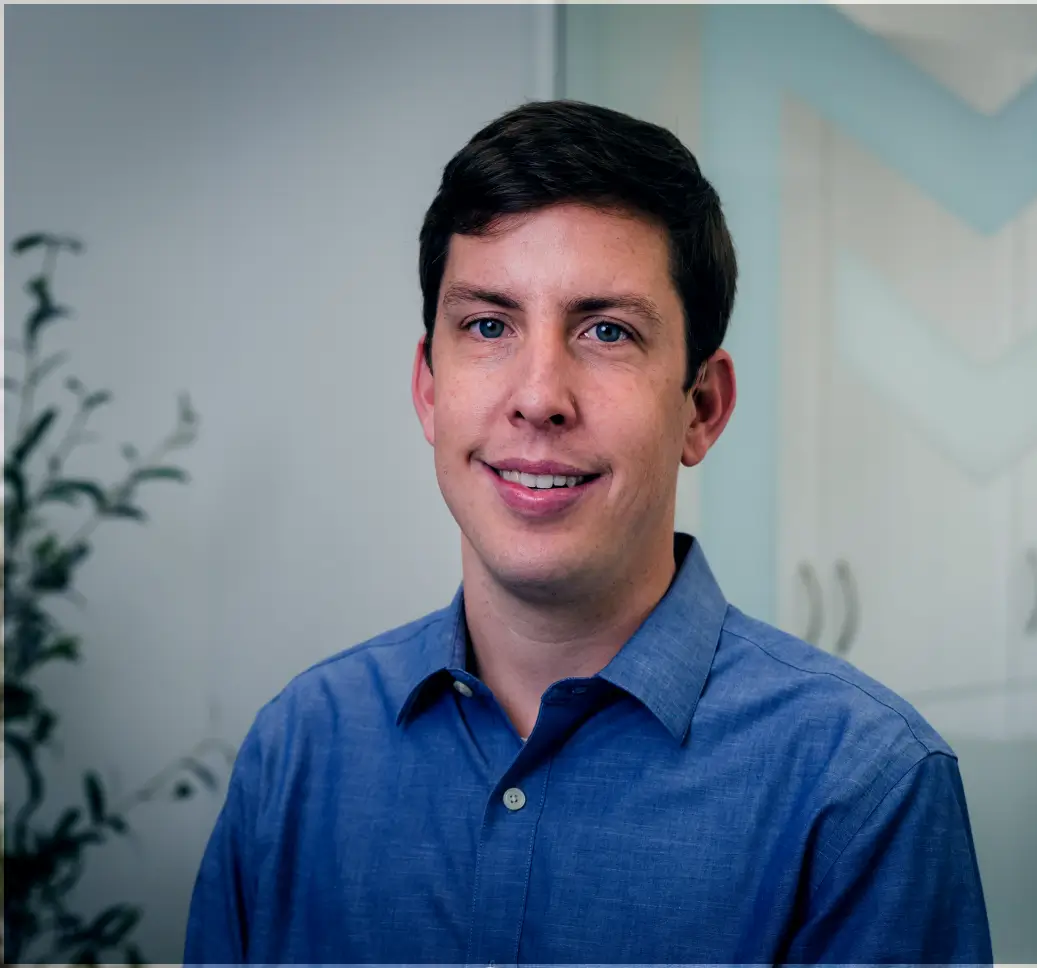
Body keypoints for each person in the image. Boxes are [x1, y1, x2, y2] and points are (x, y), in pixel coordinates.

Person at [184, 99, 992, 966]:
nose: (539, 397)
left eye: (607, 331)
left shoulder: (861, 788)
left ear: (703, 408)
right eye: (489, 326)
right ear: (429, 388)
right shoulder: (299, 754)